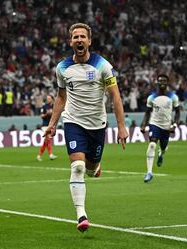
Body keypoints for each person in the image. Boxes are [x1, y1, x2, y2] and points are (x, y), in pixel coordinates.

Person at [43, 23, 128, 232]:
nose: (79, 40)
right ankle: (81, 214)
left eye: (83, 36)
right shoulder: (62, 68)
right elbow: (61, 97)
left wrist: (122, 126)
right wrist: (52, 124)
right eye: (75, 37)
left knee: (90, 169)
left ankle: (95, 168)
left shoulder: (103, 66)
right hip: (72, 122)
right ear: (70, 41)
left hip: (97, 125)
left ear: (89, 41)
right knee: (78, 167)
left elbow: (115, 95)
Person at [140, 74, 180, 183]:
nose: (162, 82)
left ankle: (161, 154)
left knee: (163, 147)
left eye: (164, 80)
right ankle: (149, 172)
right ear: (157, 82)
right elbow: (147, 113)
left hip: (166, 126)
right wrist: (143, 124)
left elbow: (178, 112)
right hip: (154, 124)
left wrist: (175, 125)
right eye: (160, 80)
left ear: (167, 83)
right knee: (152, 144)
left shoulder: (173, 97)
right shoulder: (151, 97)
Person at [37, 95, 57, 161]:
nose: (48, 99)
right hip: (45, 125)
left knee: (46, 141)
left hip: (51, 125)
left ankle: (39, 155)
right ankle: (50, 155)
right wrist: (46, 114)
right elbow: (41, 116)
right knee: (48, 139)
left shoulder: (54, 106)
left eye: (49, 98)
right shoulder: (44, 106)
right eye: (47, 98)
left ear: (52, 99)